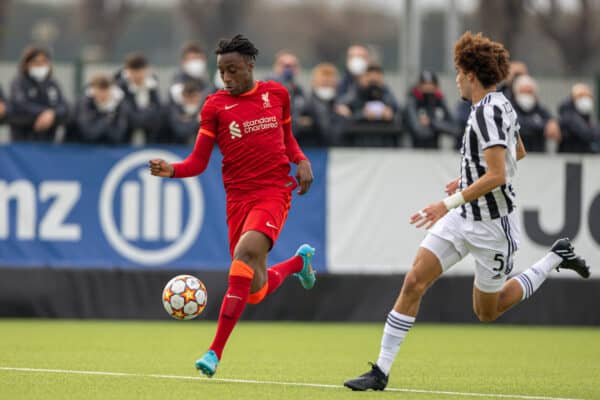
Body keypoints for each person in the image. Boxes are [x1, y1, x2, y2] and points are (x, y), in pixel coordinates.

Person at [344, 31, 590, 392]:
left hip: (492, 228)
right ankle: (380, 371)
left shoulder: (490, 111)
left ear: (471, 75)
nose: (456, 79)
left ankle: (555, 257)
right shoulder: (500, 104)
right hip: (464, 218)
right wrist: (466, 177)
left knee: (487, 312)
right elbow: (516, 150)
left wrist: (447, 202)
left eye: (459, 72)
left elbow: (498, 172)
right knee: (414, 281)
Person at [149, 34, 316, 378]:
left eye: (233, 69)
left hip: (273, 193)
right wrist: (173, 171)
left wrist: (300, 159)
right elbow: (197, 162)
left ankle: (214, 352)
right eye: (222, 71)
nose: (227, 77)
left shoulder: (277, 95)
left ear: (250, 65)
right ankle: (300, 262)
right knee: (253, 290)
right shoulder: (214, 106)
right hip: (237, 200)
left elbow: (287, 140)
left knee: (243, 255)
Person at [8, 46, 69, 141]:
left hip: (47, 141)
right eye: (36, 62)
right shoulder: (19, 83)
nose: (40, 66)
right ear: (27, 64)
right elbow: (21, 104)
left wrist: (52, 113)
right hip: (22, 141)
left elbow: (64, 105)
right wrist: (44, 112)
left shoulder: (52, 84)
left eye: (44, 62)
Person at [296, 63, 348, 146]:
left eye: (329, 83)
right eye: (323, 83)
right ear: (314, 82)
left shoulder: (342, 104)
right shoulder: (303, 103)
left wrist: (345, 116)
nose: (326, 86)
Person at [404, 70, 459, 149]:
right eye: (425, 85)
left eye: (431, 86)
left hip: (434, 151)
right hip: (413, 151)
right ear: (419, 87)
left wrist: (431, 123)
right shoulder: (412, 102)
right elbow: (418, 131)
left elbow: (455, 129)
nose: (428, 89)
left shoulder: (439, 101)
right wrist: (439, 127)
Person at [114, 52, 162, 144]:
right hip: (125, 138)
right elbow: (129, 115)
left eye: (140, 71)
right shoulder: (120, 87)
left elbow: (158, 111)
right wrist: (149, 110)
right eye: (134, 72)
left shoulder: (152, 86)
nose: (138, 76)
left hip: (150, 137)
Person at [73, 74, 132, 145]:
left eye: (105, 90)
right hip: (82, 149)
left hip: (111, 149)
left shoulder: (120, 105)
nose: (103, 94)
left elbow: (118, 136)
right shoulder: (84, 103)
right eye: (100, 90)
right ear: (93, 90)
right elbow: (88, 134)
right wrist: (108, 118)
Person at [512, 75, 561, 152]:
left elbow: (552, 125)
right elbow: (519, 126)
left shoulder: (541, 109)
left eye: (529, 92)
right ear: (516, 94)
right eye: (523, 92)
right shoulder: (510, 109)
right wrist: (542, 126)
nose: (526, 96)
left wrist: (553, 124)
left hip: (538, 157)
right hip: (516, 157)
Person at [269, 50, 306, 132]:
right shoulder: (267, 88)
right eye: (285, 66)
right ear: (276, 66)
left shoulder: (299, 90)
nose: (289, 69)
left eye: (292, 66)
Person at [168, 42, 213, 108]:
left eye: (199, 58)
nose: (197, 63)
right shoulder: (177, 88)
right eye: (193, 59)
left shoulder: (205, 83)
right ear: (183, 62)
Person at [557, 83, 600, 153]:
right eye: (581, 96)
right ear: (572, 98)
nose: (585, 99)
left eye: (588, 96)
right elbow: (586, 134)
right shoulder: (568, 115)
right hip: (569, 158)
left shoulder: (586, 117)